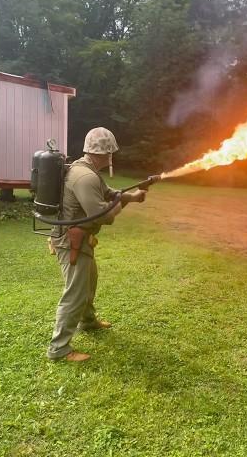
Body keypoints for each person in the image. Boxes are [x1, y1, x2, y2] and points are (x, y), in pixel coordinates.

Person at [47, 127, 147, 362]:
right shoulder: (85, 176)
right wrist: (125, 205)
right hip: (71, 241)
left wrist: (131, 196)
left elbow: (108, 192)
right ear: (105, 153)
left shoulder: (85, 170)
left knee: (89, 280)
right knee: (75, 292)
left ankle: (88, 321)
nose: (112, 156)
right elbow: (104, 215)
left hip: (79, 239)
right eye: (110, 152)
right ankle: (58, 349)